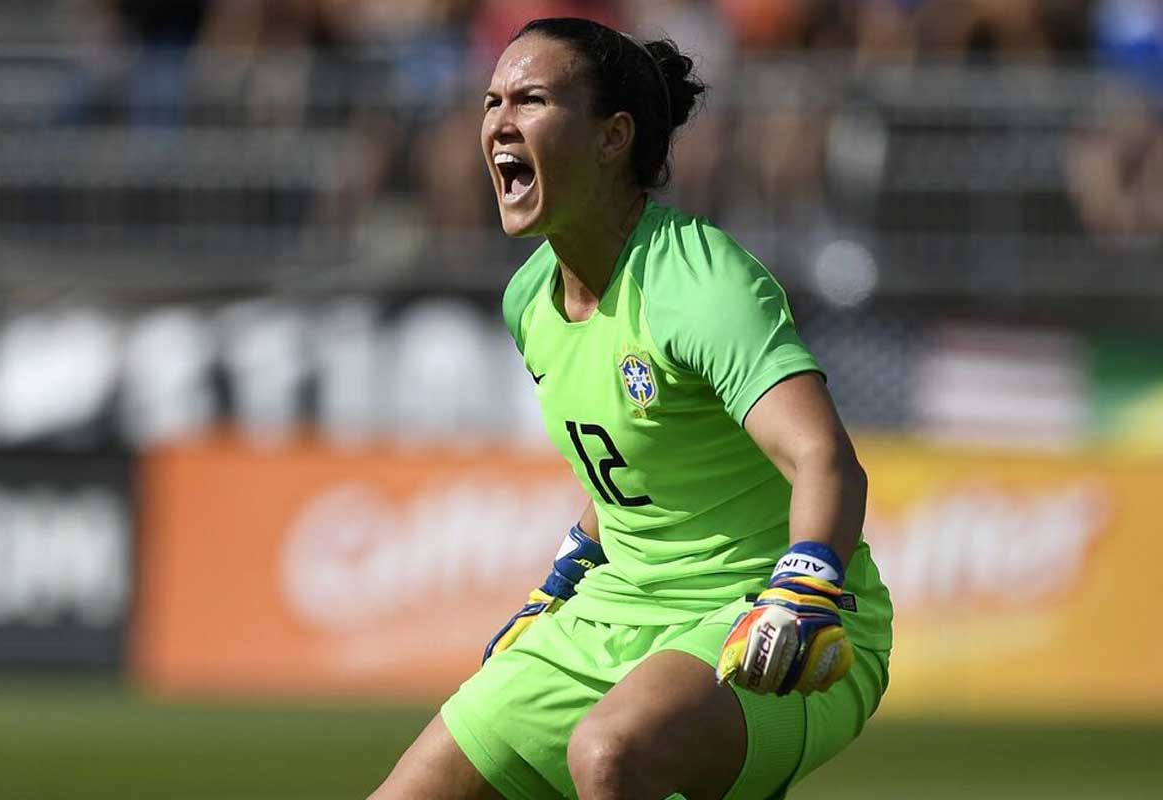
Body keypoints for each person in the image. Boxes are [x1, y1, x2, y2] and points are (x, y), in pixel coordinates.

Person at [370, 16, 893, 800]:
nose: (499, 123)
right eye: (491, 102)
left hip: (766, 611)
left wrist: (805, 587)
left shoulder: (700, 280)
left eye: (532, 99)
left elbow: (823, 457)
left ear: (614, 137)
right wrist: (561, 579)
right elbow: (631, 461)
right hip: (610, 614)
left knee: (612, 755)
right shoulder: (528, 300)